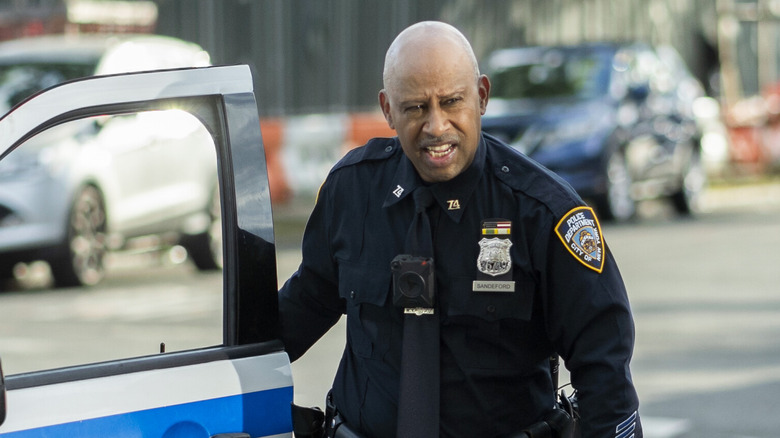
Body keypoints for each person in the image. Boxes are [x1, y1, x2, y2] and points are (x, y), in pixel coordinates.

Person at [278, 21, 642, 438]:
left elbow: (605, 372)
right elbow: (304, 304)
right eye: (415, 107)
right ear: (387, 109)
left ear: (482, 96)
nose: (436, 126)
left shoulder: (544, 213)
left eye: (452, 102)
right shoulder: (353, 191)